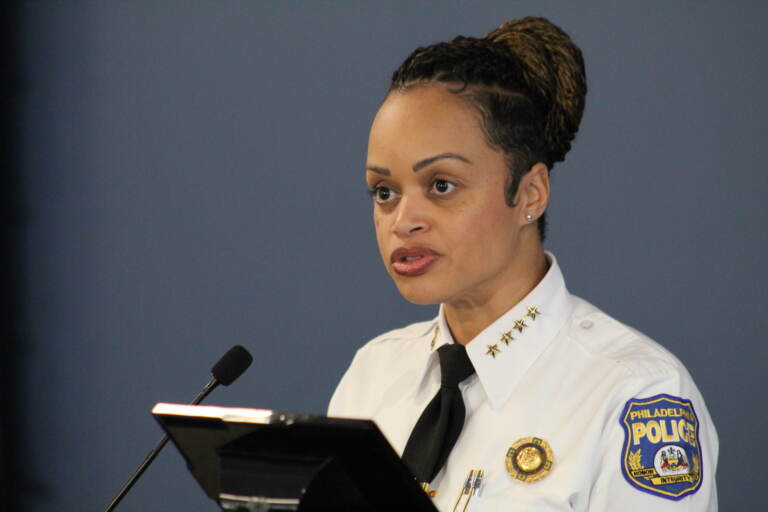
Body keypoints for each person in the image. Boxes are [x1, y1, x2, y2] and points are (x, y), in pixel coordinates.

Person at [328, 16, 718, 511]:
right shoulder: (374, 375)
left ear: (529, 193)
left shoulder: (636, 394)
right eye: (384, 191)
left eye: (441, 185)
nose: (403, 221)